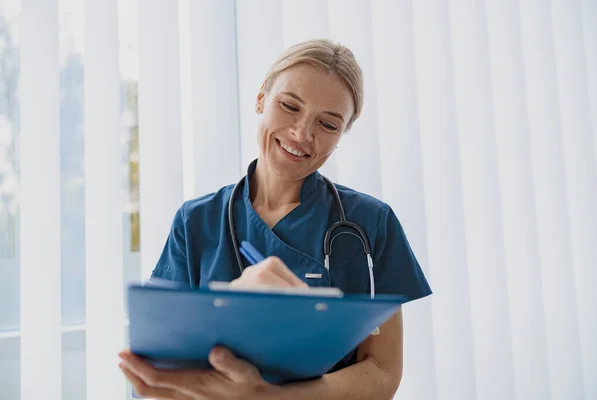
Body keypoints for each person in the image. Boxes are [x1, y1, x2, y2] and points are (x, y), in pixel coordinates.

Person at [118, 38, 432, 399]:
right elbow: (154, 368)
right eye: (289, 106)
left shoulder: (371, 224)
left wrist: (268, 397)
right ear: (260, 99)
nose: (302, 133)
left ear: (341, 136)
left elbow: (382, 372)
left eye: (328, 124)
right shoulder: (197, 222)